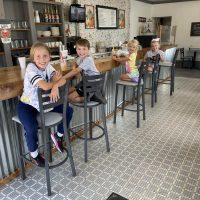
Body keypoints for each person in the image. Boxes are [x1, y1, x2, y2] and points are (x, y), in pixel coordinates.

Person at [17, 42, 73, 167]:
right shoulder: (31, 68)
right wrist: (54, 84)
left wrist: (55, 86)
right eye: (38, 56)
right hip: (28, 105)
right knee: (31, 127)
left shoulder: (49, 66)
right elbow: (44, 86)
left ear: (49, 57)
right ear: (33, 58)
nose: (42, 59)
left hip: (45, 103)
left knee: (68, 111)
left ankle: (58, 137)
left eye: (45, 56)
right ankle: (34, 155)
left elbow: (63, 80)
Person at [63, 38, 106, 104]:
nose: (81, 51)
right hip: (86, 82)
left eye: (84, 49)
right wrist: (74, 66)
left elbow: (76, 71)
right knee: (66, 92)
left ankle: (91, 97)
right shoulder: (80, 58)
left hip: (92, 85)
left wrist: (63, 78)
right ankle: (90, 96)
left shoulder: (88, 59)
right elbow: (76, 61)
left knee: (70, 97)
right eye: (79, 49)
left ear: (88, 50)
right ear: (76, 50)